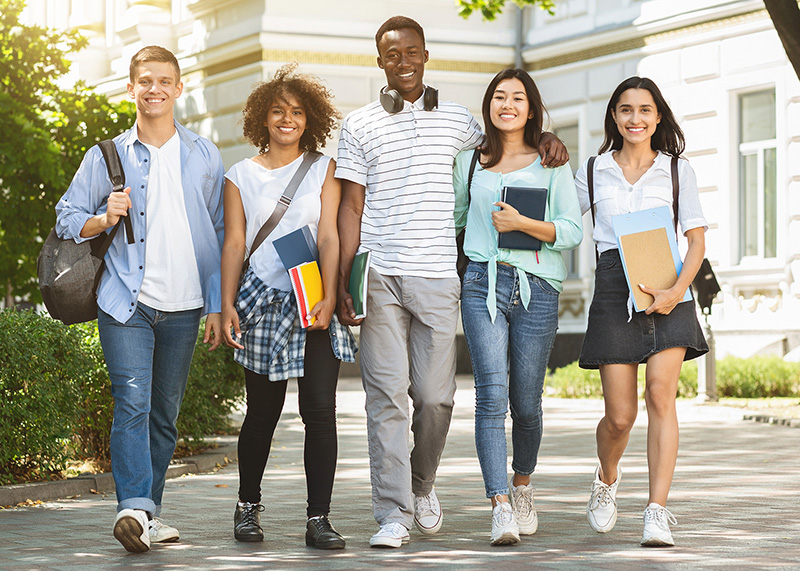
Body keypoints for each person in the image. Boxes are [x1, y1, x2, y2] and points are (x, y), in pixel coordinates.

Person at [335, 16, 568, 548]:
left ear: (425, 54)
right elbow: (352, 206)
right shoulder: (360, 124)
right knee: (387, 396)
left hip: (440, 274)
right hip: (380, 274)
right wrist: (345, 278)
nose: (404, 62)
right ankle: (392, 513)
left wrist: (547, 138)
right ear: (380, 62)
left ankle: (422, 484)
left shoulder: (460, 121)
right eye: (392, 55)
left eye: (412, 51)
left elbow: (506, 149)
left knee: (437, 398)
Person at [55, 46, 225, 553]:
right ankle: (132, 507)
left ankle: (147, 515)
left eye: (164, 81)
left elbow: (217, 232)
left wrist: (216, 304)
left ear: (178, 88)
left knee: (164, 414)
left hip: (186, 304)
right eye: (144, 81)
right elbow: (66, 217)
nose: (154, 89)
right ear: (130, 89)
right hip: (125, 302)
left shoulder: (204, 153)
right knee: (132, 402)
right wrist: (103, 218)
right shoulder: (106, 155)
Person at [219, 63, 356, 550]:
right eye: (278, 111)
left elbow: (328, 234)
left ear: (309, 118)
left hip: (311, 297)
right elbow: (234, 243)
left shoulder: (324, 167)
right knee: (262, 413)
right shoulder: (239, 174)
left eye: (297, 112)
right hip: (261, 301)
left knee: (320, 410)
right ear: (262, 117)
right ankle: (247, 506)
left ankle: (318, 518)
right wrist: (226, 303)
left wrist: (327, 295)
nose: (287, 119)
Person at [575, 76, 709, 547]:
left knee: (660, 396)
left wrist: (676, 291)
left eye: (645, 110)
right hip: (615, 288)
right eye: (626, 110)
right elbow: (565, 224)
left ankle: (657, 510)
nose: (636, 118)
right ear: (614, 116)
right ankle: (607, 478)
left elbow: (695, 240)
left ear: (657, 117)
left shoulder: (677, 171)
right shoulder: (592, 170)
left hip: (670, 287)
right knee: (620, 416)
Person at [454, 68, 583, 546]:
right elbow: (455, 220)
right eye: (499, 97)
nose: (508, 104)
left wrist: (526, 223)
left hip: (538, 287)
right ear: (489, 105)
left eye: (518, 97)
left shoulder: (552, 163)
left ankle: (522, 484)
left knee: (526, 403)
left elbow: (571, 232)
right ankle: (499, 505)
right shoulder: (470, 163)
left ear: (531, 108)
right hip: (482, 283)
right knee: (490, 396)